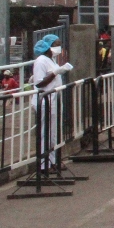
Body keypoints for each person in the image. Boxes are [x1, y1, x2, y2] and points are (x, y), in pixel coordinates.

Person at [32, 35, 72, 169]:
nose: (58, 47)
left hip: (53, 101)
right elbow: (39, 83)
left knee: (53, 133)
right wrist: (56, 73)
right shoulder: (41, 61)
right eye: (56, 44)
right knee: (46, 132)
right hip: (45, 102)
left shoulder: (51, 60)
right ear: (48, 46)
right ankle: (45, 165)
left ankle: (52, 161)